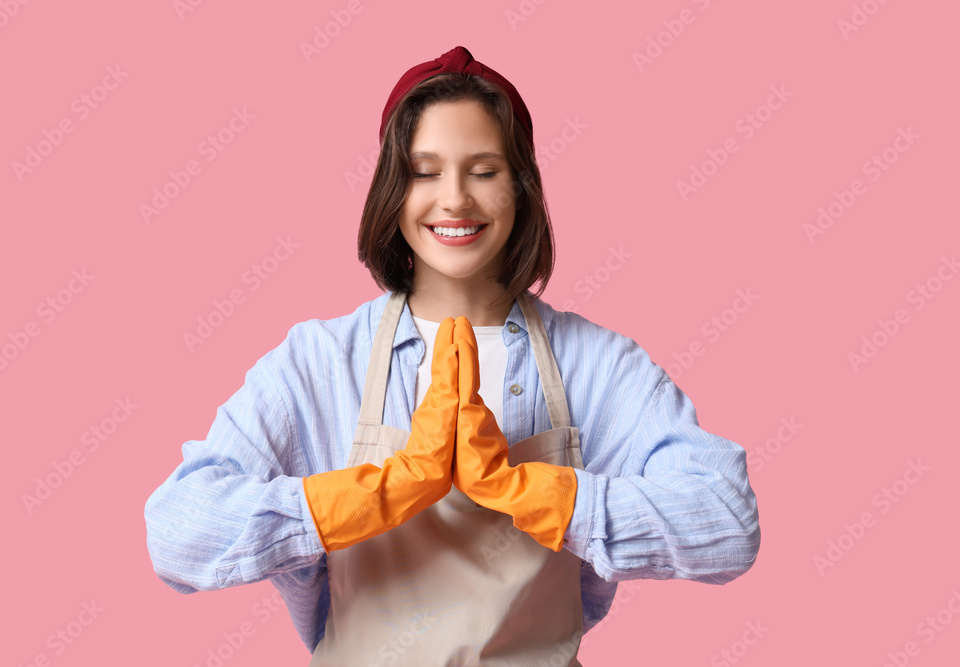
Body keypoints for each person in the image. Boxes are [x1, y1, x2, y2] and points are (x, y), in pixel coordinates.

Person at [144, 45, 760, 665]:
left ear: (521, 189)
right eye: (425, 171)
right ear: (392, 188)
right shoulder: (321, 361)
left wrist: (535, 494)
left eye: (485, 170)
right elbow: (177, 534)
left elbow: (728, 521)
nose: (456, 199)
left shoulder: (595, 364)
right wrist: (374, 495)